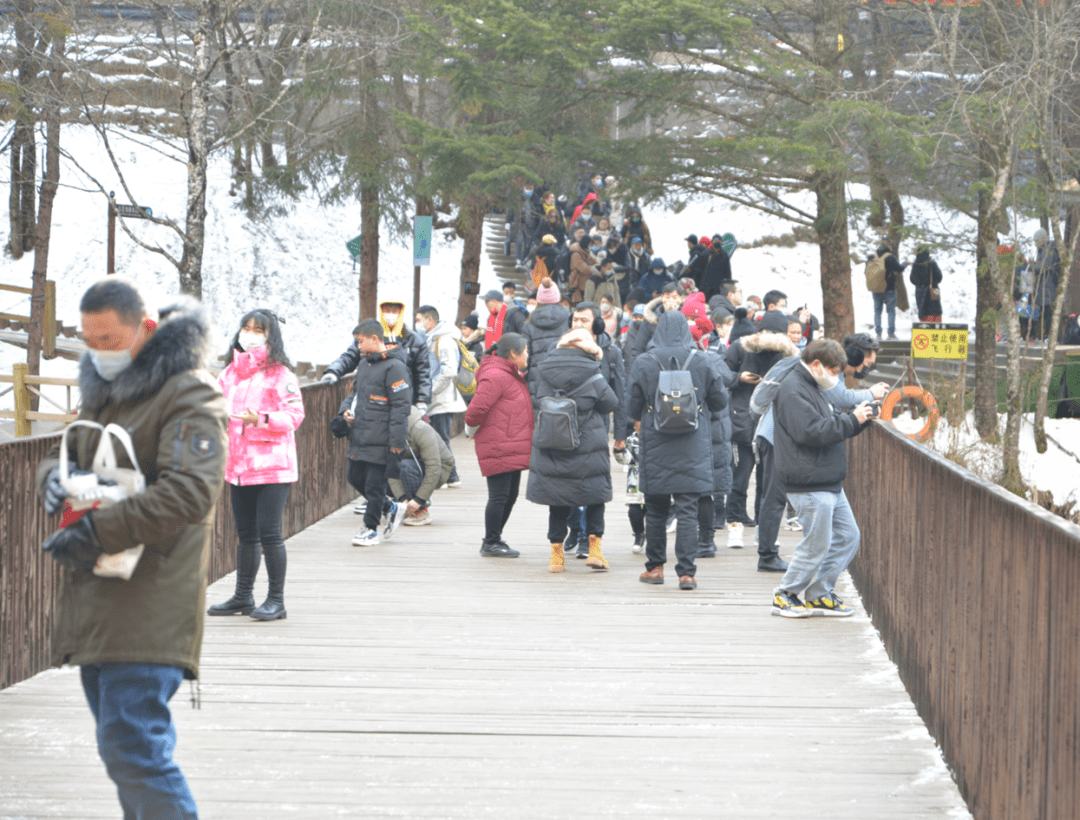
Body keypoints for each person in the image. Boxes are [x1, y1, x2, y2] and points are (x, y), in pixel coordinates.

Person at [36, 277, 227, 818]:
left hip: (152, 596)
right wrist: (52, 476)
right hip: (103, 594)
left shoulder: (189, 391)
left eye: (110, 341)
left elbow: (190, 492)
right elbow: (75, 454)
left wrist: (96, 532)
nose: (100, 354)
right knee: (122, 749)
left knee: (133, 747)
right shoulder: (106, 394)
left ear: (146, 329)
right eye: (89, 342)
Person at [209, 308, 304, 622]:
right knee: (246, 534)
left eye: (257, 329)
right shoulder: (230, 373)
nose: (249, 334)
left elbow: (294, 416)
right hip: (238, 466)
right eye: (245, 327)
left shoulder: (281, 374)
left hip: (272, 466)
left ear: (270, 335)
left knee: (270, 534)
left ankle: (276, 600)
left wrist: (261, 419)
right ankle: (243, 595)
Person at [770, 339, 874, 617]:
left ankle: (818, 593)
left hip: (825, 477)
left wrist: (859, 421)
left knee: (848, 536)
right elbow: (812, 431)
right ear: (816, 365)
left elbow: (827, 426)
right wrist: (852, 420)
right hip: (808, 479)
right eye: (833, 371)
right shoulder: (793, 389)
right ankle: (786, 594)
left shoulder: (813, 385)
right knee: (817, 543)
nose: (835, 378)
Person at [629, 311, 725, 590]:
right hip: (692, 445)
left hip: (656, 443)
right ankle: (686, 573)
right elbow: (719, 401)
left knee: (656, 510)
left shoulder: (644, 362)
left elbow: (633, 408)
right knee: (687, 510)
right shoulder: (703, 360)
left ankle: (655, 568)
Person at [527, 327, 621, 572]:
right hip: (587, 444)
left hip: (551, 443)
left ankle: (556, 556)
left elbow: (535, 400)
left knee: (557, 500)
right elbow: (611, 403)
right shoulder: (593, 373)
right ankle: (595, 550)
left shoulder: (542, 370)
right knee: (594, 496)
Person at [724, 312, 798, 547]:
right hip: (743, 420)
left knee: (767, 481)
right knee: (740, 478)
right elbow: (720, 374)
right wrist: (739, 378)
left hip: (770, 424)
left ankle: (760, 527)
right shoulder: (741, 347)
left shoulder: (788, 354)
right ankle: (735, 524)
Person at [343, 319, 411, 547]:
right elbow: (354, 394)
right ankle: (390, 507)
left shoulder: (396, 367)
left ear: (374, 339)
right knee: (354, 477)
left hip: (382, 437)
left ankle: (370, 529)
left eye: (361, 341)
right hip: (361, 433)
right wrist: (345, 410)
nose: (359, 346)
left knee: (374, 485)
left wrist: (397, 442)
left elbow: (401, 407)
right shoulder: (364, 365)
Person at [465, 333, 534, 557]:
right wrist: (472, 430)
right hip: (498, 444)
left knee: (510, 494)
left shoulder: (508, 373)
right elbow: (475, 411)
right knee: (499, 496)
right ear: (513, 354)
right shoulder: (496, 375)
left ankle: (494, 538)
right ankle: (490, 542)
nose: (527, 355)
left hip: (509, 443)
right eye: (525, 350)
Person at [322, 300, 432, 411]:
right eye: (387, 311)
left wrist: (422, 400)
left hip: (402, 398)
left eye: (394, 311)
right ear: (382, 312)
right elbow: (350, 356)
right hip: (373, 398)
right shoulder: (368, 335)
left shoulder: (414, 340)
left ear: (401, 312)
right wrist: (334, 371)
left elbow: (422, 373)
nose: (391, 315)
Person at [415, 305, 464, 488]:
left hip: (441, 399)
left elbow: (449, 370)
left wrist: (430, 390)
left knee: (440, 438)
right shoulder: (432, 339)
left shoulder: (444, 341)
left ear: (430, 320)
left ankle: (446, 477)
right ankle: (450, 477)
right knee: (437, 438)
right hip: (435, 399)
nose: (417, 324)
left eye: (419, 320)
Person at [386, 405, 456, 527]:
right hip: (413, 464)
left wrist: (419, 500)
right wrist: (402, 498)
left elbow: (434, 467)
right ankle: (405, 503)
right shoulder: (386, 432)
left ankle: (421, 511)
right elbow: (391, 467)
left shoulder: (420, 428)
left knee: (405, 466)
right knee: (378, 470)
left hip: (440, 467)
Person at [523, 278, 571, 399]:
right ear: (557, 297)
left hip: (536, 380)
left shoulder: (528, 323)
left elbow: (524, 356)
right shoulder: (568, 319)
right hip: (563, 377)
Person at [867, 242, 908, 341]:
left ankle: (878, 333)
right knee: (891, 311)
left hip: (876, 288)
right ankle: (890, 333)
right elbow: (899, 268)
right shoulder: (890, 257)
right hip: (889, 288)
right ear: (888, 246)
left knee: (877, 311)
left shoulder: (872, 257)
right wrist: (905, 263)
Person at [1030, 228, 1061, 340]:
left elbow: (1045, 266)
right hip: (1044, 285)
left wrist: (1034, 267)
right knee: (1044, 311)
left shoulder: (1048, 250)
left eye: (1037, 241)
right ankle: (1045, 335)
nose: (1035, 243)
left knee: (1048, 312)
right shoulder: (1043, 250)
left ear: (1042, 240)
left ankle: (1049, 336)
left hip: (1048, 285)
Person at [909, 247, 943, 322]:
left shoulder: (915, 264)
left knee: (923, 315)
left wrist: (920, 284)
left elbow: (912, 279)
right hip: (932, 292)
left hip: (920, 293)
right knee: (935, 315)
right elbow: (939, 277)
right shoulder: (932, 263)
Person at [700, 235, 734, 300]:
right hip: (705, 286)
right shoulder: (706, 254)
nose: (717, 242)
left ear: (721, 242)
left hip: (718, 287)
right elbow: (700, 270)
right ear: (712, 242)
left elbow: (727, 273)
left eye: (719, 241)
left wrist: (728, 287)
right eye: (715, 241)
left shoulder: (724, 255)